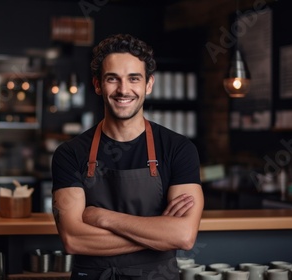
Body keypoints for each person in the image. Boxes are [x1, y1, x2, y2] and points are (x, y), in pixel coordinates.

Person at [51, 33, 204, 280]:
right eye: (113, 79)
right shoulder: (70, 153)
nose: (124, 90)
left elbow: (183, 236)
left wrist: (102, 217)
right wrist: (158, 233)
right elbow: (73, 239)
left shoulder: (178, 148)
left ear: (149, 84)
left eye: (134, 78)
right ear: (98, 84)